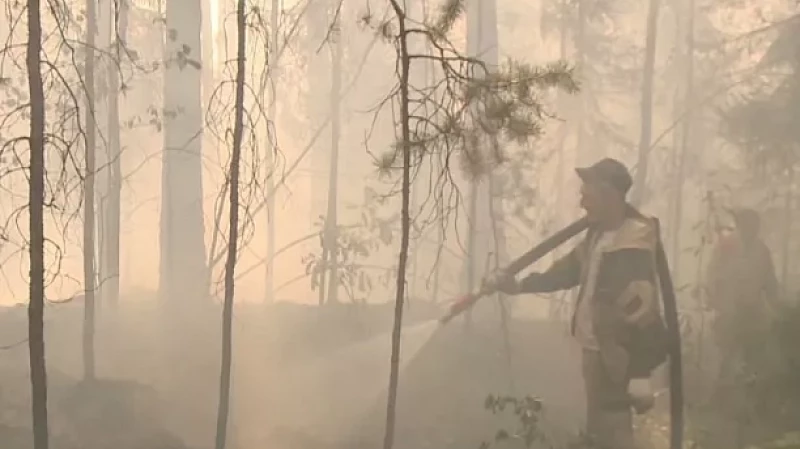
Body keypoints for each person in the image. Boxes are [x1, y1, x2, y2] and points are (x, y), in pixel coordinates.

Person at [491, 158, 669, 449]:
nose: (582, 199)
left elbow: (641, 309)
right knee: (600, 429)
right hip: (596, 349)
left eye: (587, 191)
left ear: (608, 193)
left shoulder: (633, 240)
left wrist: (639, 372)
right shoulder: (599, 234)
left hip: (616, 353)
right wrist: (521, 285)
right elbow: (568, 271)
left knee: (613, 431)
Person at [706, 208, 779, 376]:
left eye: (754, 225)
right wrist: (715, 301)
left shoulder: (762, 250)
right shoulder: (725, 247)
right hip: (728, 312)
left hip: (752, 311)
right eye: (747, 225)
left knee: (753, 357)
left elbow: (770, 281)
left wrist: (776, 306)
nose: (751, 229)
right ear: (739, 226)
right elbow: (712, 275)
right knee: (726, 358)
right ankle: (722, 391)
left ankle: (749, 391)